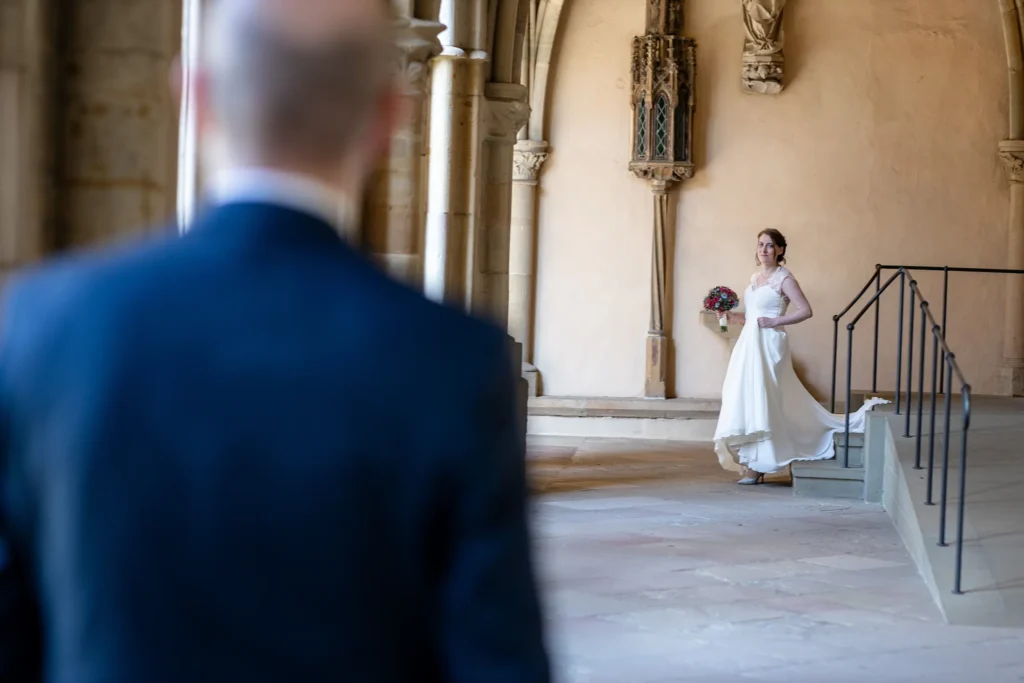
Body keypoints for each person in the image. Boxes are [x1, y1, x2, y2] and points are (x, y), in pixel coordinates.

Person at [0, 1, 550, 682]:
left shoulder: (46, 325)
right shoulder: (453, 361)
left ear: (193, 97)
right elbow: (499, 662)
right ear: (387, 117)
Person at [712, 229, 888, 484]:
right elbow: (751, 319)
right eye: (760, 244)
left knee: (767, 398)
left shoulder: (784, 279)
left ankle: (763, 464)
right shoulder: (755, 278)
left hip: (770, 344)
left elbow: (806, 310)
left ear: (781, 250)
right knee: (751, 398)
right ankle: (755, 461)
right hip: (749, 346)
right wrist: (727, 318)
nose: (764, 250)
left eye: (770, 245)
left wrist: (776, 320)